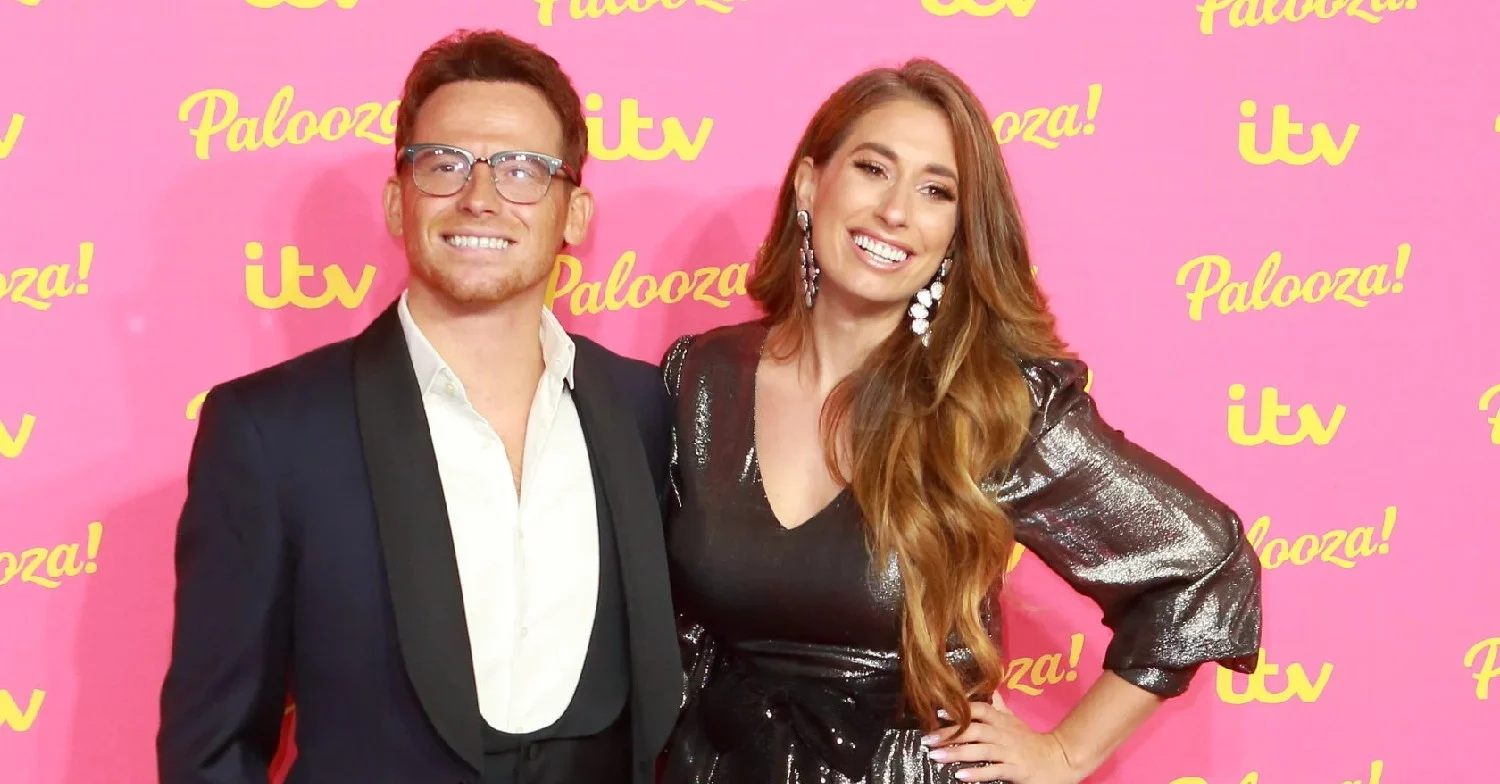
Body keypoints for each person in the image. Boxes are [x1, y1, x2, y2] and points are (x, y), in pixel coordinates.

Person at [656, 59, 1264, 784]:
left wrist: (1067, 752)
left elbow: (1207, 566)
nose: (896, 211)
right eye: (874, 169)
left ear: (956, 231)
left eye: (935, 190)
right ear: (811, 184)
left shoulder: (989, 404)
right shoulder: (701, 376)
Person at [156, 29, 681, 784]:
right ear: (398, 205)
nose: (480, 197)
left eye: (522, 171)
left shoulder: (642, 409)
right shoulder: (270, 433)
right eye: (444, 165)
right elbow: (212, 751)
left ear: (575, 215)